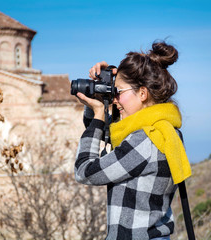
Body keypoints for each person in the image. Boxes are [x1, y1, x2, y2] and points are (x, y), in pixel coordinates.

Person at [74, 41, 192, 240]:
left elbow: (85, 171)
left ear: (143, 93)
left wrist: (97, 116)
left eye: (118, 93)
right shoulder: (164, 130)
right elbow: (107, 134)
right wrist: (101, 93)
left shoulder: (145, 140)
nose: (115, 99)